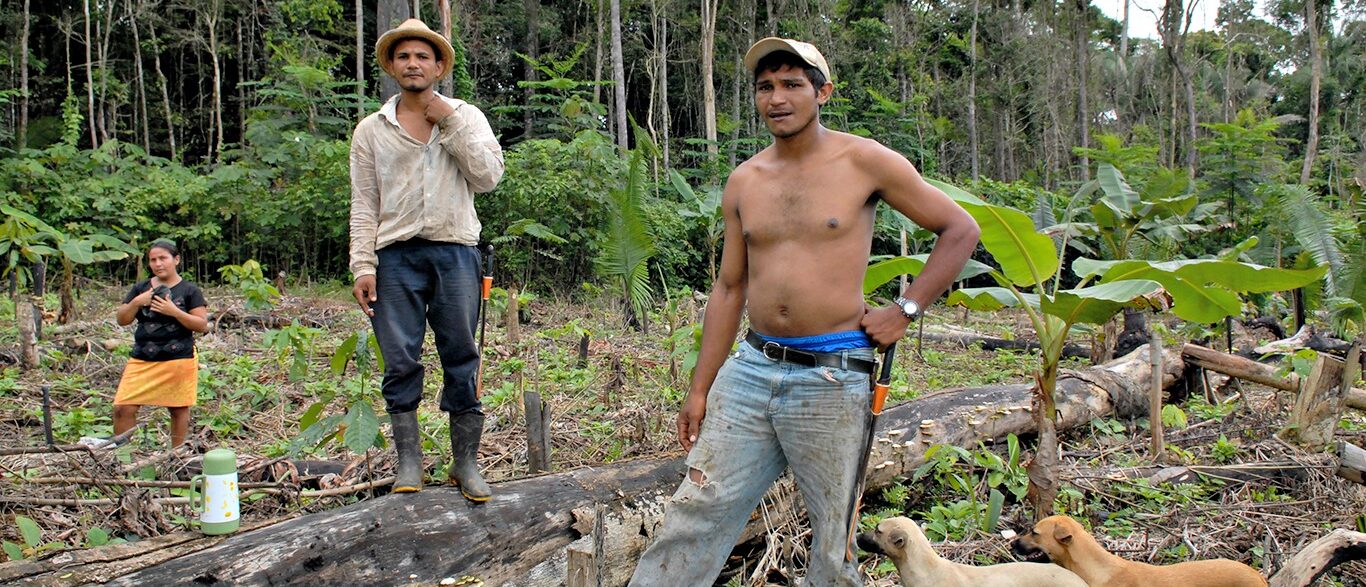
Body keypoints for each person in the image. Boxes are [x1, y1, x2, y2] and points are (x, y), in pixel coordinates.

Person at [629, 38, 980, 585]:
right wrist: (700, 386)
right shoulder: (746, 179)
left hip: (833, 375)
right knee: (696, 509)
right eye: (766, 87)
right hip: (750, 370)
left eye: (792, 84)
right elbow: (728, 288)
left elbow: (960, 229)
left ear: (822, 92)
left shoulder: (863, 160)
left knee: (834, 535)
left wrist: (905, 309)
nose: (777, 98)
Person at [349, 19, 505, 501]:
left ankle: (466, 463)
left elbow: (488, 177)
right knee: (399, 359)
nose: (413, 64)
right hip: (394, 256)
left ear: (439, 66)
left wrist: (449, 121)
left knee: (462, 353)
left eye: (423, 56)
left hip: (456, 252)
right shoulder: (372, 130)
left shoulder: (466, 115)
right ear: (392, 67)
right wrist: (362, 265)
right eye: (403, 57)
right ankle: (409, 463)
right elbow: (364, 202)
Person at [113, 239, 210, 447]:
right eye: (153, 260)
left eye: (163, 258)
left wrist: (173, 311)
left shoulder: (189, 290)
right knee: (123, 407)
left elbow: (202, 325)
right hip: (141, 359)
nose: (158, 264)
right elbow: (122, 319)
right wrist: (138, 301)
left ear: (176, 260)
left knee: (178, 409)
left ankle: (175, 458)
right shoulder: (141, 288)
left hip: (178, 359)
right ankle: (121, 459)